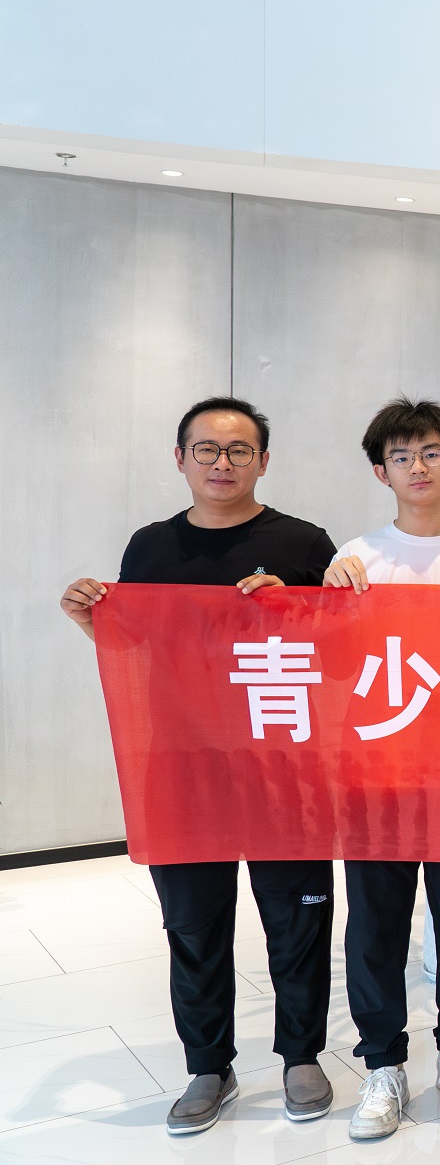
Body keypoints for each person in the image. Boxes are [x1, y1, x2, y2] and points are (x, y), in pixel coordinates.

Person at [58, 397, 338, 1135]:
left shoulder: (304, 542)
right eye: (207, 449)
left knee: (298, 920)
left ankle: (302, 1054)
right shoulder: (150, 547)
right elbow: (141, 652)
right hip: (183, 765)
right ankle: (208, 1064)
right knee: (192, 923)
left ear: (264, 461)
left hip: (283, 765)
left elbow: (341, 653)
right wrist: (94, 623)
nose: (222, 463)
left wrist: (294, 608)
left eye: (239, 450)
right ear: (180, 458)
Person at [322, 398, 440, 1141]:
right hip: (379, 769)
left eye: (430, 452)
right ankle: (383, 1062)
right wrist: (329, 598)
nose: (417, 467)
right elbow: (332, 665)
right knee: (376, 922)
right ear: (380, 471)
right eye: (401, 456)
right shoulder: (356, 557)